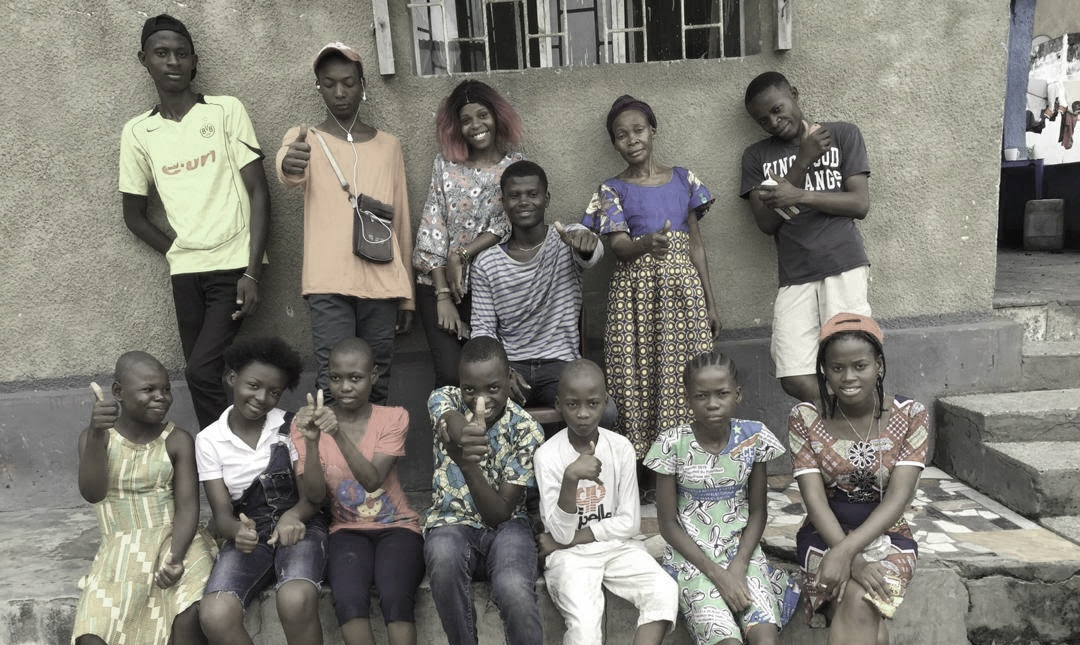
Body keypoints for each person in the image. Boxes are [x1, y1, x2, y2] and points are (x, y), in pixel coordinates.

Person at [120, 14, 271, 430]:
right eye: (161, 53)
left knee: (201, 371)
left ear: (194, 61)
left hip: (233, 268)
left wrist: (253, 273)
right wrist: (176, 250)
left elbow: (259, 192)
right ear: (144, 60)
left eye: (181, 54)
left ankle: (224, 455)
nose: (173, 62)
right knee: (210, 375)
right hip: (185, 273)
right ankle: (226, 458)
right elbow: (133, 215)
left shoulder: (225, 111)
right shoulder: (139, 132)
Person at [582, 95, 719, 475]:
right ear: (614, 143)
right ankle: (645, 472)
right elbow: (619, 247)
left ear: (653, 131)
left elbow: (696, 244)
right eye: (621, 135)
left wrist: (710, 303)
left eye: (638, 130)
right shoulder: (611, 189)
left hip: (683, 296)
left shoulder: (684, 179)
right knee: (637, 376)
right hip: (634, 299)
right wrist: (647, 245)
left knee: (685, 373)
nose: (632, 139)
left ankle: (689, 464)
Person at [277, 42, 414, 404]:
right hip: (328, 283)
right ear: (318, 87)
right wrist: (289, 162)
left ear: (362, 85)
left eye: (348, 83)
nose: (339, 92)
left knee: (377, 380)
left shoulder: (389, 146)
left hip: (383, 282)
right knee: (333, 383)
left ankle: (378, 444)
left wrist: (408, 297)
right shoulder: (305, 138)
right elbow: (288, 170)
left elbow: (400, 220)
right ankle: (331, 445)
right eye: (329, 83)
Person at [788, 313, 926, 643]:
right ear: (824, 370)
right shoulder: (805, 418)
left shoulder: (911, 415)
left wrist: (846, 555)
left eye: (860, 366)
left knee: (859, 601)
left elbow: (898, 498)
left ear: (879, 365)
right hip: (824, 534)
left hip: (889, 534)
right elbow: (814, 500)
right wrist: (854, 560)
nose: (848, 377)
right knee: (864, 608)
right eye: (837, 368)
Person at [645, 351, 799, 645]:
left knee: (766, 637)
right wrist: (718, 574)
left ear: (737, 394)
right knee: (727, 641)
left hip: (742, 555)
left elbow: (758, 513)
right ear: (688, 399)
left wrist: (739, 565)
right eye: (701, 396)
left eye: (722, 393)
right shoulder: (672, 443)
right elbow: (667, 524)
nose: (712, 403)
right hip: (694, 560)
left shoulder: (753, 437)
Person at [740, 71, 872, 404]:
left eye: (777, 109)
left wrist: (800, 196)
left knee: (849, 361)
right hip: (795, 274)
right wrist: (802, 160)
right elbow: (767, 223)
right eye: (763, 120)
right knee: (793, 373)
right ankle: (841, 420)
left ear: (794, 94)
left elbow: (859, 204)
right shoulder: (756, 157)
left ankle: (848, 428)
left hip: (843, 265)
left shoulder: (842, 134)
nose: (773, 122)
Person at [73, 351, 216, 645]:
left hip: (176, 543)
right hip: (120, 549)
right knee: (91, 636)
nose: (161, 397)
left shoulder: (177, 440)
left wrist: (176, 557)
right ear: (118, 392)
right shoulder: (95, 438)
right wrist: (97, 435)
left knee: (187, 616)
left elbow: (188, 507)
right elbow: (92, 493)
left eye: (166, 389)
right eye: (148, 389)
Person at [534, 359, 677, 645]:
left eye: (593, 403)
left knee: (664, 591)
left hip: (617, 548)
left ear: (606, 403)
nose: (583, 414)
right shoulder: (547, 456)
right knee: (585, 625)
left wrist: (571, 539)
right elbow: (559, 533)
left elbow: (629, 523)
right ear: (559, 404)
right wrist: (571, 478)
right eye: (572, 404)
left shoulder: (621, 448)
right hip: (570, 559)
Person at [293, 338, 425, 645]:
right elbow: (314, 496)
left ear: (374, 375)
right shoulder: (307, 424)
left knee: (395, 595)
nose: (345, 387)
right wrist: (312, 441)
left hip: (398, 527)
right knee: (348, 599)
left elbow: (372, 480)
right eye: (336, 378)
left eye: (355, 378)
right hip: (346, 530)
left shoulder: (393, 417)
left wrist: (336, 433)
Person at [196, 337, 327, 645]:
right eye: (253, 385)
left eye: (274, 392)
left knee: (295, 599)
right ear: (232, 378)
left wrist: (294, 515)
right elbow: (222, 516)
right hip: (250, 534)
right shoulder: (209, 440)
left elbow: (315, 499)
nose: (261, 397)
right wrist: (237, 532)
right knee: (215, 614)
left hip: (301, 524)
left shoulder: (289, 425)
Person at [471, 160, 615, 432]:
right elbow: (483, 330)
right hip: (511, 367)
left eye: (532, 194)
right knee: (476, 414)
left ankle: (583, 462)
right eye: (515, 196)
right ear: (504, 202)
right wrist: (499, 373)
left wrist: (586, 245)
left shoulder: (566, 241)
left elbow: (591, 251)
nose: (524, 202)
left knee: (605, 413)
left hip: (561, 366)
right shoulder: (486, 263)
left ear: (546, 199)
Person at [423, 336, 545, 645]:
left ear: (509, 379)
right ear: (459, 384)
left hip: (508, 524)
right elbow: (447, 416)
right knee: (442, 556)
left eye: (493, 388)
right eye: (470, 389)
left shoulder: (527, 429)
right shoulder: (444, 398)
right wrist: (463, 432)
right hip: (451, 521)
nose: (481, 400)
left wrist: (468, 466)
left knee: (514, 588)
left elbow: (499, 514)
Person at [413, 80, 525, 387]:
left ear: (497, 116)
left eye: (482, 115)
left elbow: (507, 225)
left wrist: (462, 254)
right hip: (440, 285)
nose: (476, 125)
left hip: (491, 289)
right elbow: (432, 229)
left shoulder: (516, 167)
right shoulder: (445, 166)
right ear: (455, 127)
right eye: (466, 120)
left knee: (489, 377)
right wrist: (442, 296)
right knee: (451, 375)